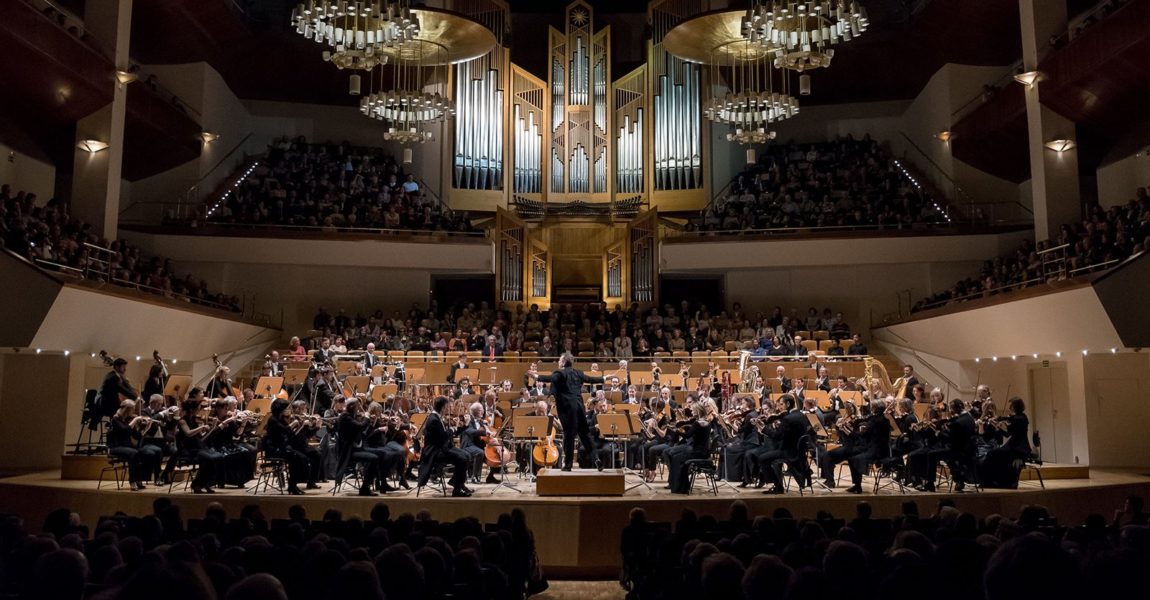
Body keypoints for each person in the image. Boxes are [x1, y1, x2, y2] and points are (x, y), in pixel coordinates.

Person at [539, 352, 604, 471]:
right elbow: (590, 379)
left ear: (563, 362)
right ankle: (596, 458)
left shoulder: (559, 373)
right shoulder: (578, 373)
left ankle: (568, 465)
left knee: (569, 436)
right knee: (585, 434)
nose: (558, 362)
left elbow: (552, 379)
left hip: (567, 409)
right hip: (579, 407)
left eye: (559, 360)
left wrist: (538, 377)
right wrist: (604, 378)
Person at [417, 396, 472, 496]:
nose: (449, 408)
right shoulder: (433, 419)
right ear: (442, 407)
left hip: (443, 447)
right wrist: (452, 429)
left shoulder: (438, 417)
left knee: (467, 455)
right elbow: (442, 438)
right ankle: (457, 490)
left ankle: (458, 483)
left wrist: (465, 425)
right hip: (435, 452)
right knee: (462, 459)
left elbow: (449, 434)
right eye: (447, 406)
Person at [107, 400, 163, 491]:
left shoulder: (127, 420)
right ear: (127, 409)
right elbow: (124, 430)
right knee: (134, 453)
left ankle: (140, 479)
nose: (134, 411)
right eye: (132, 409)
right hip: (115, 447)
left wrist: (146, 428)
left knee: (149, 454)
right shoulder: (115, 419)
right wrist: (135, 420)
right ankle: (132, 481)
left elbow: (136, 436)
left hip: (127, 447)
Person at [666, 395, 715, 494]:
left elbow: (687, 436)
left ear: (697, 411)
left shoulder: (698, 423)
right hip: (704, 451)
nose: (692, 412)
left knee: (676, 458)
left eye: (693, 410)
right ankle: (683, 485)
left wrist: (676, 431)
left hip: (697, 452)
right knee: (676, 456)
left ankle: (679, 487)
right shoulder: (706, 421)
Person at [980, 397, 1032, 488]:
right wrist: (999, 426)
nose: (1010, 407)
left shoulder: (1017, 418)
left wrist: (998, 425)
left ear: (1015, 406)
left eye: (1011, 405)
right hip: (1017, 445)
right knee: (995, 453)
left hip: (1018, 448)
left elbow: (1007, 432)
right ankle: (1000, 481)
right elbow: (1008, 433)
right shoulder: (1023, 417)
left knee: (992, 454)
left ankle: (990, 481)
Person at [263, 399, 310, 495]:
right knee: (296, 458)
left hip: (282, 447)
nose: (289, 410)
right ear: (281, 409)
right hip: (274, 449)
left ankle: (293, 484)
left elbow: (290, 434)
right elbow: (285, 430)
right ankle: (292, 486)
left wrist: (300, 426)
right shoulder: (273, 419)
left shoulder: (280, 418)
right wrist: (293, 423)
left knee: (303, 458)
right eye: (287, 408)